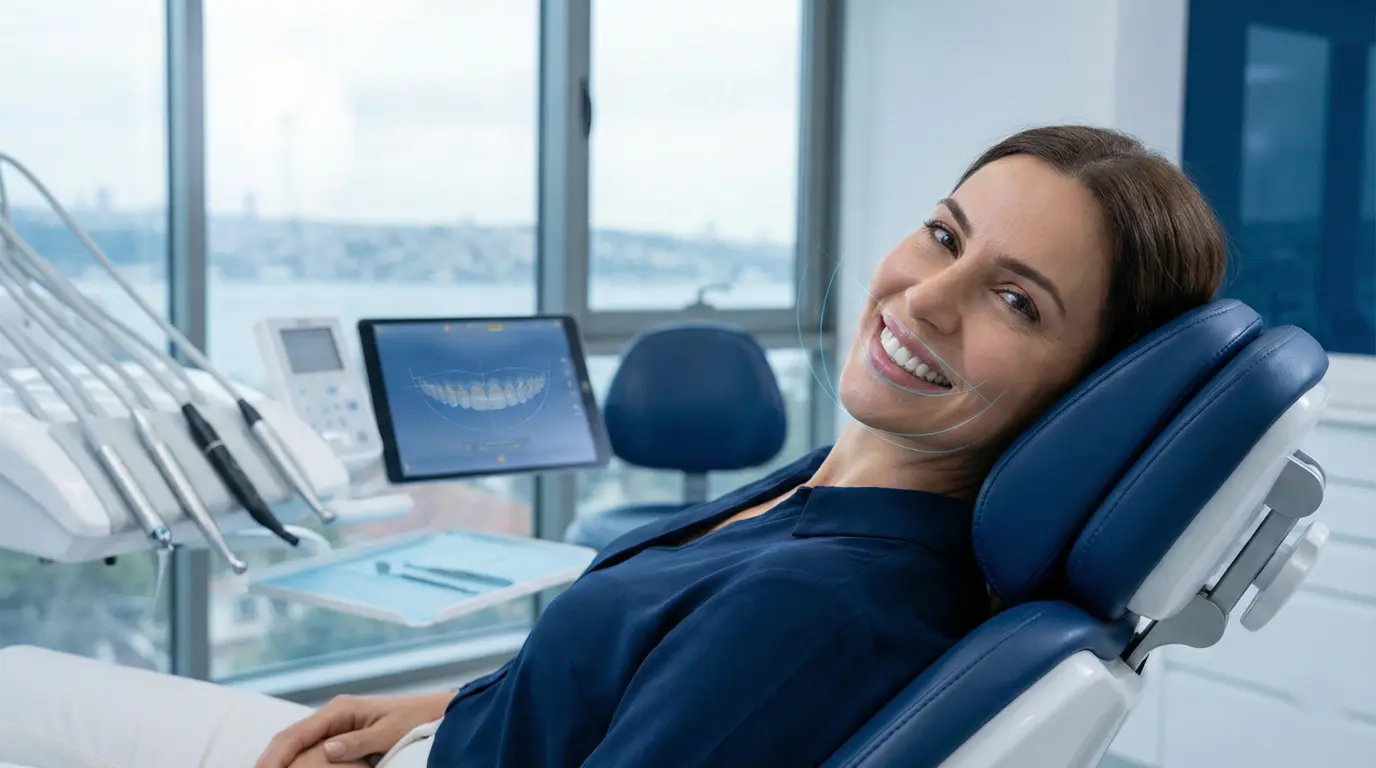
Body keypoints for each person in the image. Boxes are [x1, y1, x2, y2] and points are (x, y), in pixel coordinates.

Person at [0, 125, 1228, 768]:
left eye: (1017, 300)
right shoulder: (840, 487)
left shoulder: (825, 607)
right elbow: (633, 695)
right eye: (941, 233)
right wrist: (444, 701)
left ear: (1095, 387)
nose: (924, 297)